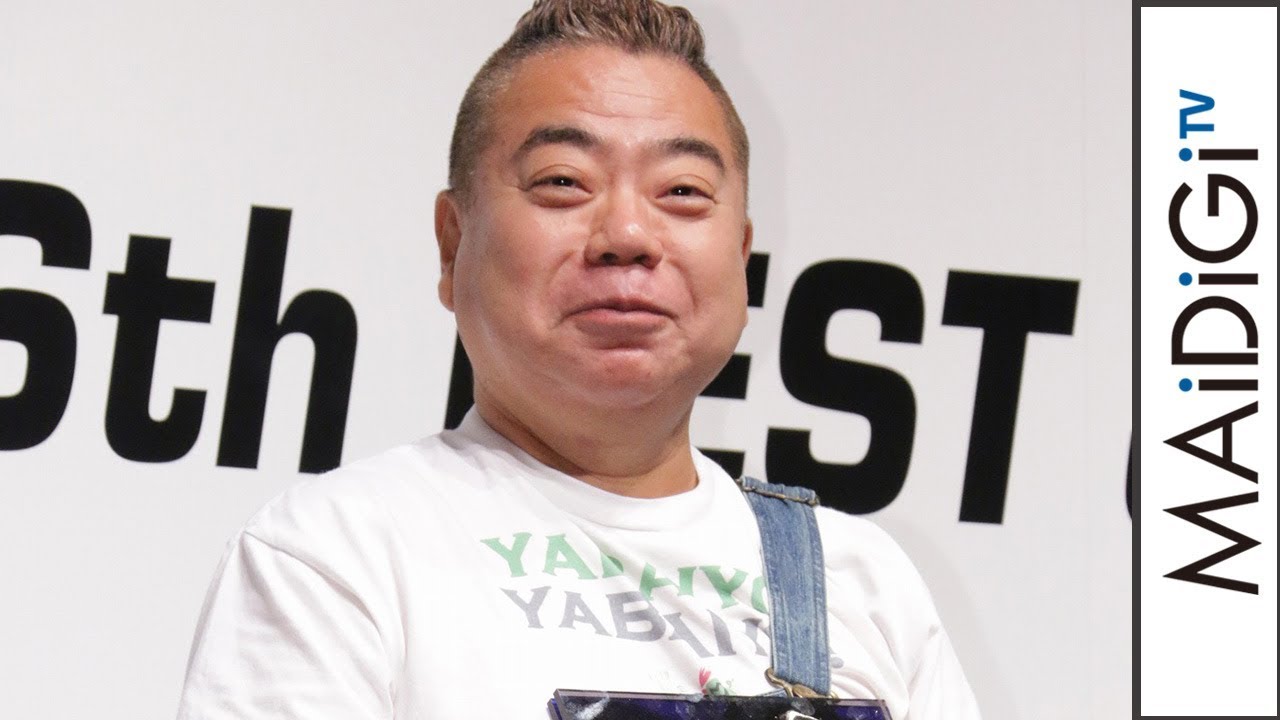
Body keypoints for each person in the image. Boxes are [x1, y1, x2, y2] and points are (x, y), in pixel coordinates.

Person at [176, 1, 981, 718]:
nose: (627, 235)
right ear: (453, 245)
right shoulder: (335, 558)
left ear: (741, 257)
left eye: (683, 192)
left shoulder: (862, 583)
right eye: (564, 181)